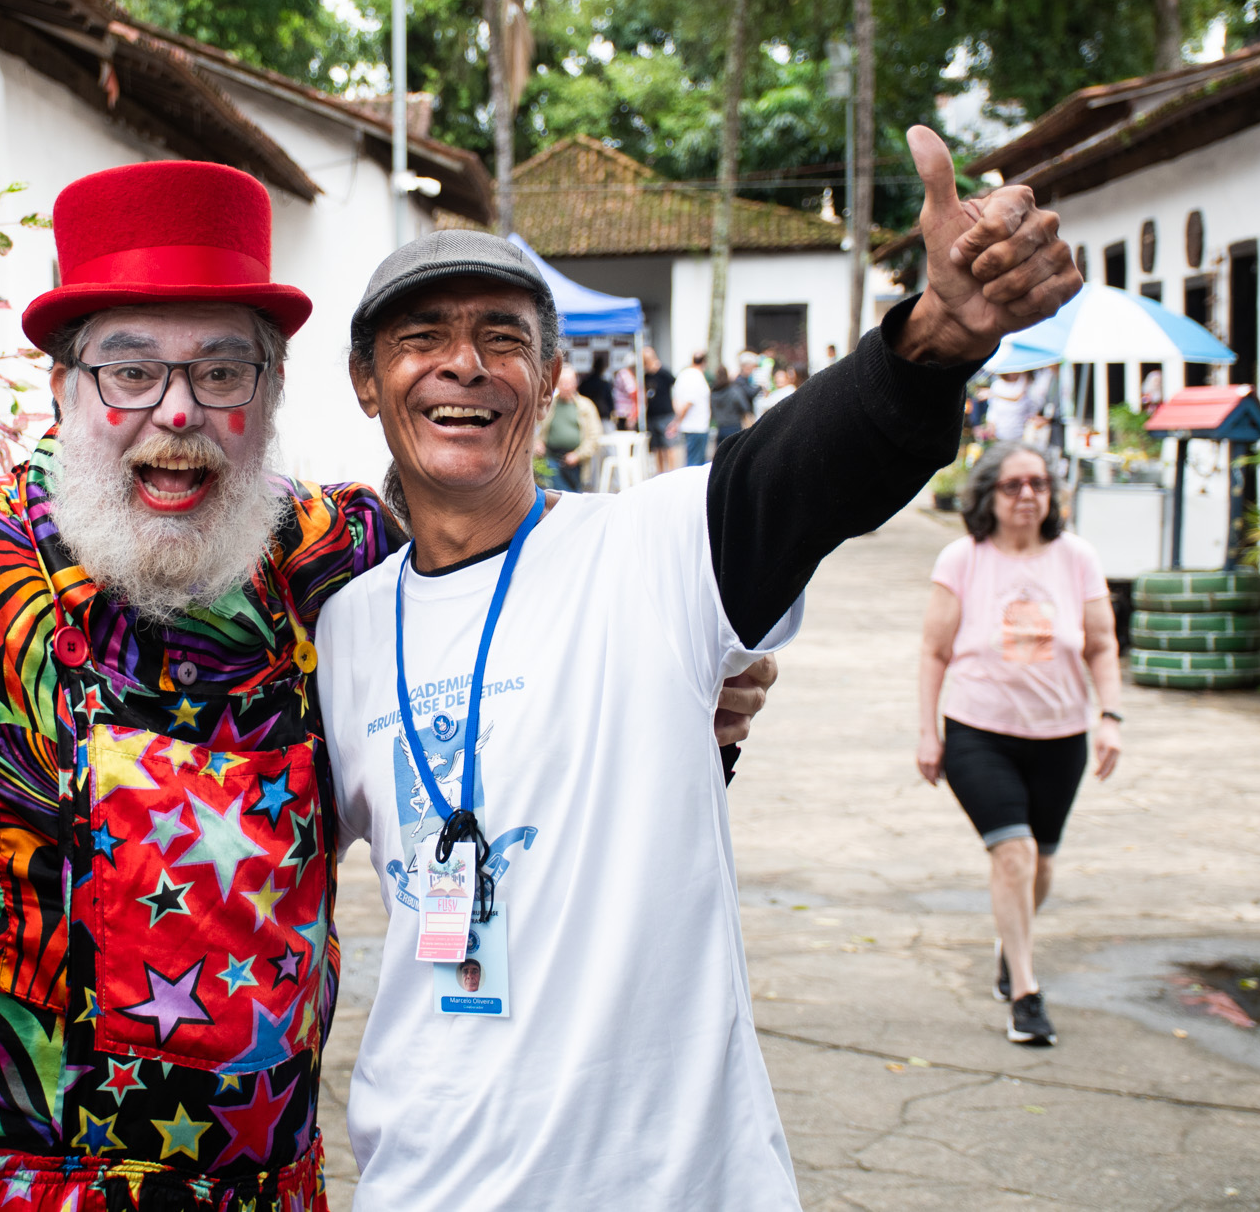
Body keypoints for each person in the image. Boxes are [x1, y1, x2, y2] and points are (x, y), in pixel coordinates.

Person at [0, 161, 774, 1212]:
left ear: (269, 394)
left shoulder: (328, 560)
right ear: (62, 386)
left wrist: (668, 678)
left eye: (222, 372)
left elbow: (498, 621)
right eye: (128, 369)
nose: (175, 415)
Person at [322, 124, 1080, 1209]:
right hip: (428, 1180)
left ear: (549, 379)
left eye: (501, 338)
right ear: (365, 381)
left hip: (676, 1181)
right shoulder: (342, 630)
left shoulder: (658, 549)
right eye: (421, 338)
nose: (464, 365)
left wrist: (931, 340)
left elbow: (808, 466)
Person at [916, 442, 1123, 1049]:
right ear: (988, 496)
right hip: (978, 732)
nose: (1028, 495)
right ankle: (1026, 994)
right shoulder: (963, 559)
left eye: (1039, 483)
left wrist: (1110, 717)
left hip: (1061, 736)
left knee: (1042, 861)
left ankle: (1013, 947)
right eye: (1013, 485)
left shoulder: (1077, 557)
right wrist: (928, 731)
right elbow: (933, 650)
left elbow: (1102, 644)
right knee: (1015, 853)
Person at [536, 365, 602, 492]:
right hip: (551, 458)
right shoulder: (549, 405)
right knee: (554, 494)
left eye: (569, 383)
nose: (566, 386)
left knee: (573, 496)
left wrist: (578, 455)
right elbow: (536, 428)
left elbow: (594, 436)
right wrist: (538, 443)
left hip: (575, 463)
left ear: (575, 383)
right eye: (562, 383)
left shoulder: (585, 406)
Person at [673, 349, 714, 467]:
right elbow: (689, 402)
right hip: (697, 425)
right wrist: (678, 420)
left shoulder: (683, 374)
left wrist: (677, 418)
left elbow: (675, 398)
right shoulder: (696, 377)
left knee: (692, 460)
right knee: (695, 464)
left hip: (689, 424)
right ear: (705, 362)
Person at [641, 345, 678, 473]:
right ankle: (660, 472)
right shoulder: (645, 376)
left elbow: (675, 385)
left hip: (665, 415)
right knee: (657, 448)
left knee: (669, 446)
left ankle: (672, 473)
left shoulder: (663, 373)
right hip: (652, 416)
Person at [578, 353, 615, 420]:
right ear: (602, 368)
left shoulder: (585, 383)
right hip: (597, 416)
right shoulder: (604, 384)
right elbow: (610, 404)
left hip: (590, 416)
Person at [610, 357, 639, 431]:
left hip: (628, 413)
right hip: (625, 414)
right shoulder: (625, 374)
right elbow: (633, 393)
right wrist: (633, 415)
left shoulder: (627, 374)